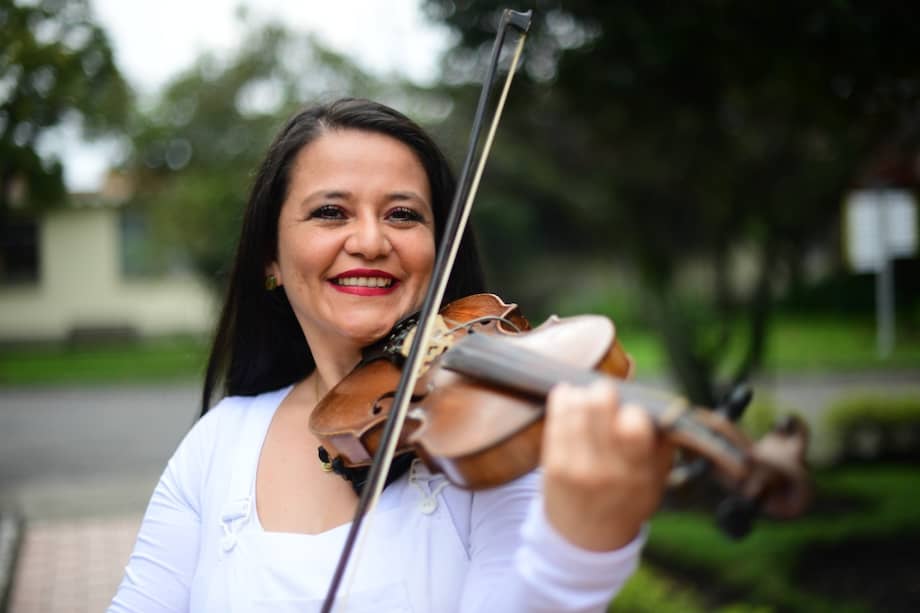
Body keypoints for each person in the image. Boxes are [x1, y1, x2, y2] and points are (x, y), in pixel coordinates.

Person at [109, 98, 672, 612]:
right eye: (331, 212)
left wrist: (582, 552)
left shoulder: (490, 441)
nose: (372, 242)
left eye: (403, 214)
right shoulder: (218, 443)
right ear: (269, 259)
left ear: (441, 252)